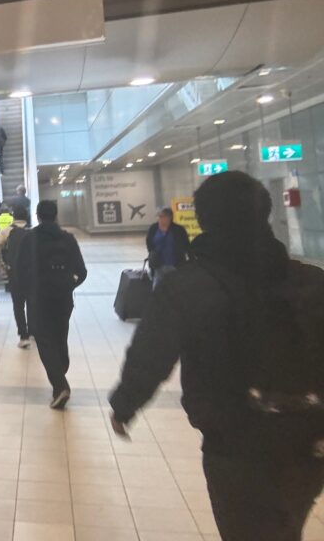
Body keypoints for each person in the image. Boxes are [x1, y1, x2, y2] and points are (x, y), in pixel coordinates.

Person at [109, 171, 324, 541]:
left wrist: (125, 405)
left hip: (238, 440)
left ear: (205, 219)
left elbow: (152, 353)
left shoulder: (189, 285)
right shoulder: (312, 280)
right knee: (286, 524)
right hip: (310, 440)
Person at [16, 200, 87, 409]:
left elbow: (20, 271)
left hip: (40, 298)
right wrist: (69, 285)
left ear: (37, 216)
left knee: (44, 340)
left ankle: (60, 383)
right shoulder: (68, 239)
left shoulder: (30, 239)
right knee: (60, 336)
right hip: (63, 298)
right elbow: (82, 272)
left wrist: (27, 292)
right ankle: (59, 377)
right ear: (56, 216)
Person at [0, 205, 31, 348]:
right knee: (32, 302)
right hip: (32, 273)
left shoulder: (7, 231)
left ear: (14, 217)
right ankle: (33, 331)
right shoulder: (33, 230)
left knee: (18, 304)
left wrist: (0, 264)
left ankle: (24, 336)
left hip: (14, 271)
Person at [145, 206, 191, 285]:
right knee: (157, 288)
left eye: (162, 216)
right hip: (158, 266)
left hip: (175, 265)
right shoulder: (154, 228)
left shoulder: (178, 230)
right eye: (159, 216)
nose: (160, 219)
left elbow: (185, 245)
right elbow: (149, 244)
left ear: (169, 217)